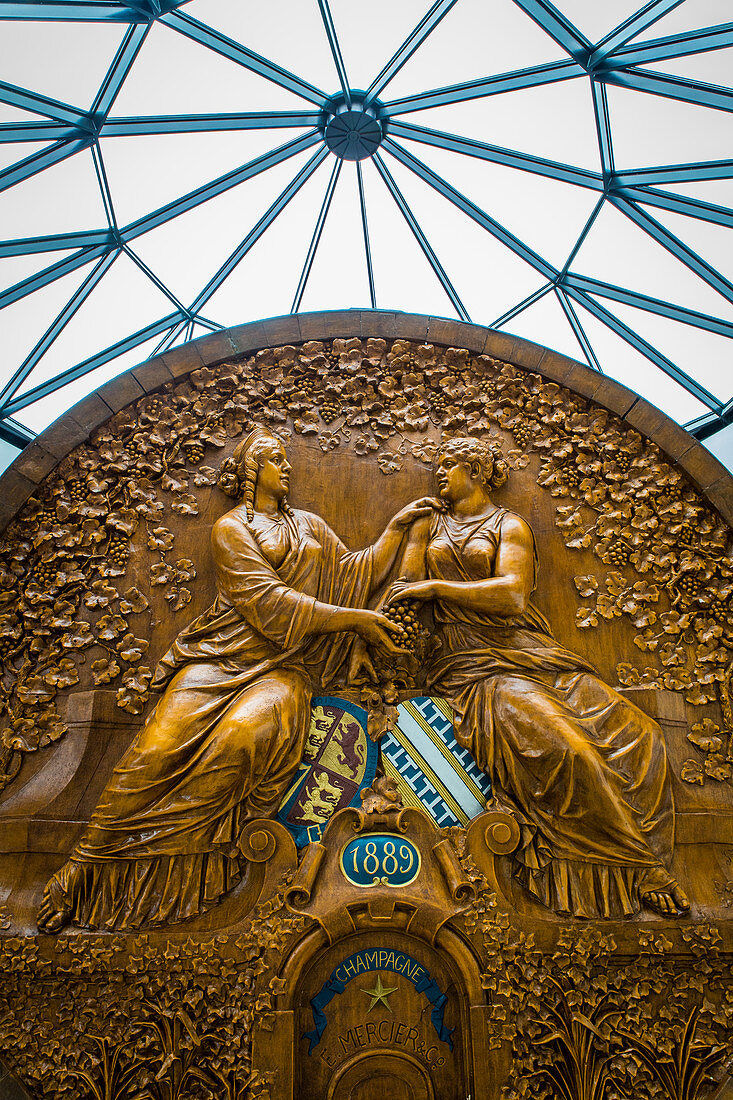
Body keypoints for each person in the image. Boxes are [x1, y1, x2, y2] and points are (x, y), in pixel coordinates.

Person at [37, 427, 432, 932]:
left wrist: (396, 530)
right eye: (274, 460)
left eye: (286, 460)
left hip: (283, 670)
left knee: (245, 737)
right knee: (156, 750)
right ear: (251, 471)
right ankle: (88, 866)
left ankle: (201, 868)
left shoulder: (309, 524)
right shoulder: (230, 529)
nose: (285, 468)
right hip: (220, 658)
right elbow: (268, 603)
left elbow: (354, 574)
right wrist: (356, 621)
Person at [386, 437, 690, 920]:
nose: (439, 474)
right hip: (474, 668)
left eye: (449, 465)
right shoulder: (429, 523)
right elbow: (405, 593)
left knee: (644, 735)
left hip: (531, 652)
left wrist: (436, 586)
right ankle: (642, 864)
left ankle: (644, 857)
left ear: (479, 470)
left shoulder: (510, 526)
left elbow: (512, 597)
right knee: (570, 748)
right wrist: (404, 546)